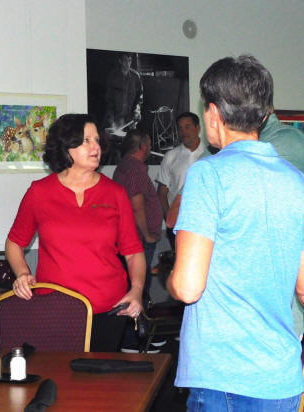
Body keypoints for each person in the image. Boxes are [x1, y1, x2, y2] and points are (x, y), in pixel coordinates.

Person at [168, 55, 304, 410]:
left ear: (213, 114)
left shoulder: (208, 174)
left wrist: (170, 279)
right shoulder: (296, 181)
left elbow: (187, 287)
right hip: (282, 377)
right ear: (263, 115)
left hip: (225, 375)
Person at [5, 113, 146, 352]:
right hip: (55, 309)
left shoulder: (115, 193)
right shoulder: (39, 192)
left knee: (100, 375)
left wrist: (137, 290)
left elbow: (133, 252)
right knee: (58, 373)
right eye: (86, 141)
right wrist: (22, 274)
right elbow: (14, 243)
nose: (96, 147)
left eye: (97, 140)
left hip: (109, 309)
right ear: (66, 147)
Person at [113, 129, 164, 353]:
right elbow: (137, 207)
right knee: (138, 288)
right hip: (137, 241)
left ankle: (137, 336)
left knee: (133, 287)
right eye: (149, 143)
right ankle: (134, 340)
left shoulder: (125, 166)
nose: (150, 146)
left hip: (129, 239)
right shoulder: (135, 170)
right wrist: (147, 234)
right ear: (143, 146)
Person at [156, 112, 205, 249]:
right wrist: (169, 219)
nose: (184, 132)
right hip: (178, 225)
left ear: (198, 128)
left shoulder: (211, 154)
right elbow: (161, 193)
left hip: (205, 224)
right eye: (180, 128)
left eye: (187, 127)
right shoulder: (171, 156)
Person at [102, 52, 143, 165]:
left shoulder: (135, 77)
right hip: (116, 118)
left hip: (130, 119)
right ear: (120, 61)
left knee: (131, 147)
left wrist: (137, 110)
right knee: (115, 147)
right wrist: (111, 120)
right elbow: (108, 99)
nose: (127, 63)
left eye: (129, 60)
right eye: (125, 60)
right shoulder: (113, 76)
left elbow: (139, 97)